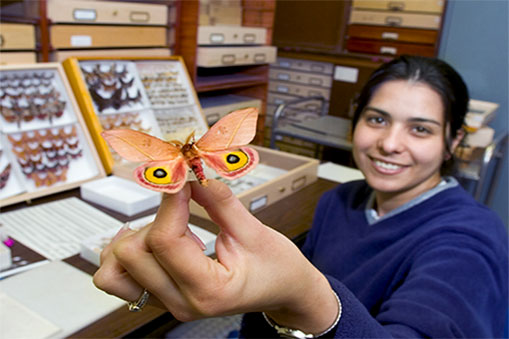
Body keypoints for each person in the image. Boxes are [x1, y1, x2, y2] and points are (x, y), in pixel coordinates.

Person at [93, 56, 508, 338]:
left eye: (420, 129)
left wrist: (304, 297)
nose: (390, 144)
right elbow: (274, 290)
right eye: (377, 119)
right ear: (355, 123)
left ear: (453, 141)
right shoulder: (339, 200)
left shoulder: (468, 242)